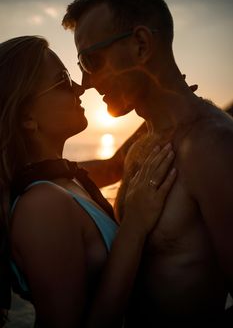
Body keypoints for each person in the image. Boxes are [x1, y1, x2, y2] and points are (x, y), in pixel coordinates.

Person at [62, 0, 233, 325]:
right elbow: (107, 169)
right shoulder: (151, 134)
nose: (86, 82)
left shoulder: (212, 145)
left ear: (141, 44)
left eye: (91, 60)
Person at [0, 35, 176, 327]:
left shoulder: (65, 178)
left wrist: (162, 102)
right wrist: (135, 225)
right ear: (27, 117)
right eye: (62, 81)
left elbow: (114, 166)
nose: (80, 88)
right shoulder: (42, 206)